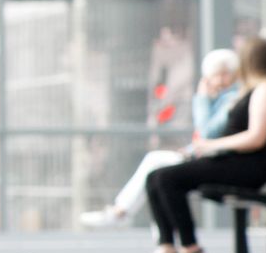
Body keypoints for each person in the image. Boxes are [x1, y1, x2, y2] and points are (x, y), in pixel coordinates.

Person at [138, 37, 266, 253]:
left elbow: (257, 137)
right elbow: (207, 129)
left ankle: (191, 248)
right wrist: (204, 101)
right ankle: (167, 246)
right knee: (155, 177)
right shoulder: (246, 90)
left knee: (168, 178)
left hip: (252, 166)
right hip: (234, 160)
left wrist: (212, 145)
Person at [80, 48, 239, 228]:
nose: (217, 81)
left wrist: (201, 98)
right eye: (214, 76)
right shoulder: (221, 99)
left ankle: (123, 213)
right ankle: (155, 235)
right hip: (209, 157)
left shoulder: (230, 99)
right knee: (156, 174)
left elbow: (207, 133)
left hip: (221, 163)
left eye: (222, 75)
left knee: (159, 171)